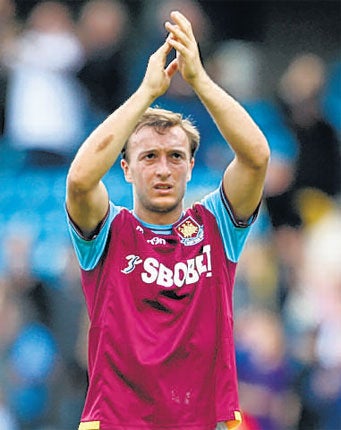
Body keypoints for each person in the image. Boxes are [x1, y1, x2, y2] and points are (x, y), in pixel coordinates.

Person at [66, 10, 270, 430]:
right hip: (118, 422)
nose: (163, 169)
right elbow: (81, 180)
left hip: (207, 420)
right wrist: (146, 92)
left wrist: (199, 81)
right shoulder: (109, 231)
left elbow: (256, 157)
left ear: (192, 166)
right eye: (149, 156)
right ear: (125, 168)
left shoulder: (216, 225)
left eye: (175, 156)